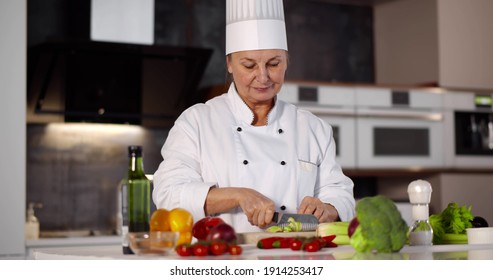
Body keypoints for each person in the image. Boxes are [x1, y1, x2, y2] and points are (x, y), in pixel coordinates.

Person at [153, 0, 355, 233]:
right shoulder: (196, 122)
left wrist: (327, 208)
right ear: (229, 64)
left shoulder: (313, 127)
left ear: (287, 61)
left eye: (273, 64)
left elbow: (340, 193)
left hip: (295, 257)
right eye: (249, 65)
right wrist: (238, 195)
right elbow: (168, 195)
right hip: (223, 258)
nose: (263, 76)